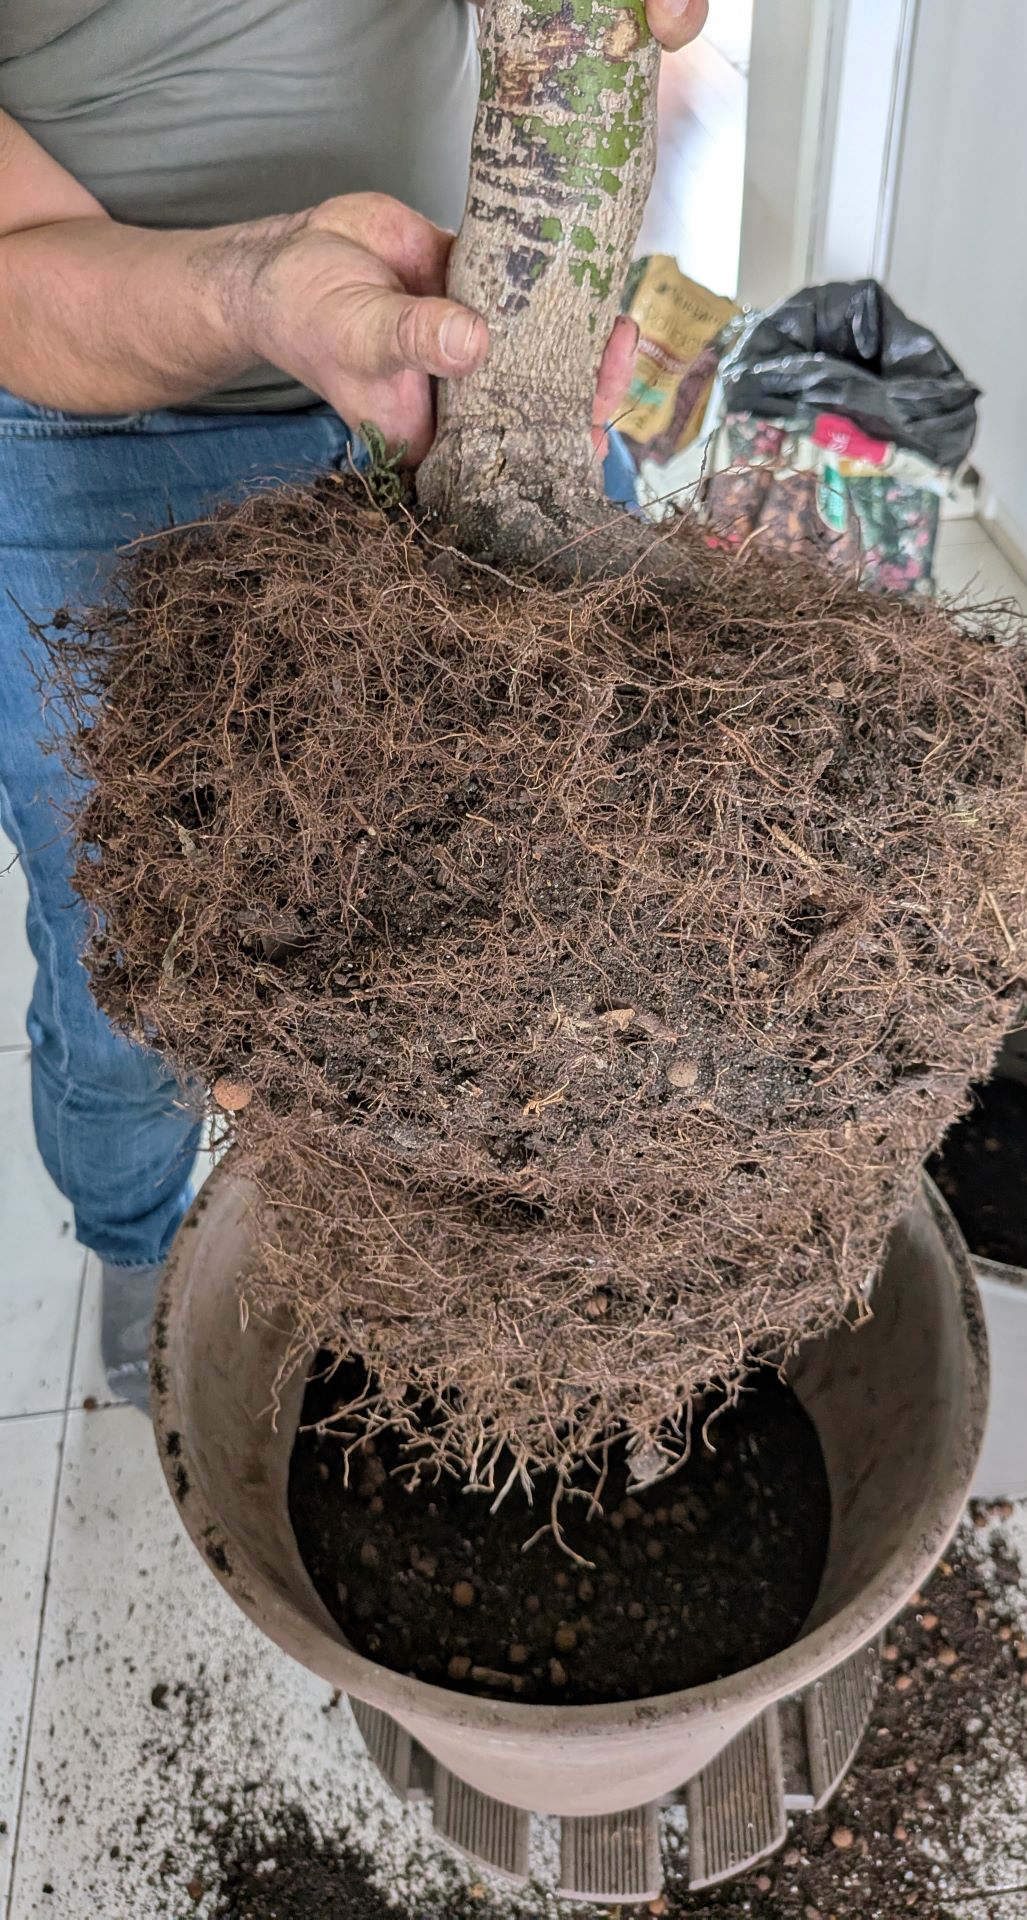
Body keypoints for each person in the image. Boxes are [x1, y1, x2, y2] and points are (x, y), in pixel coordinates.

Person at [0, 0, 708, 1407]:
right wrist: (254, 293)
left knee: (534, 894)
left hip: (474, 377)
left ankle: (473, 1265)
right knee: (134, 962)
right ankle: (139, 1242)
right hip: (95, 410)